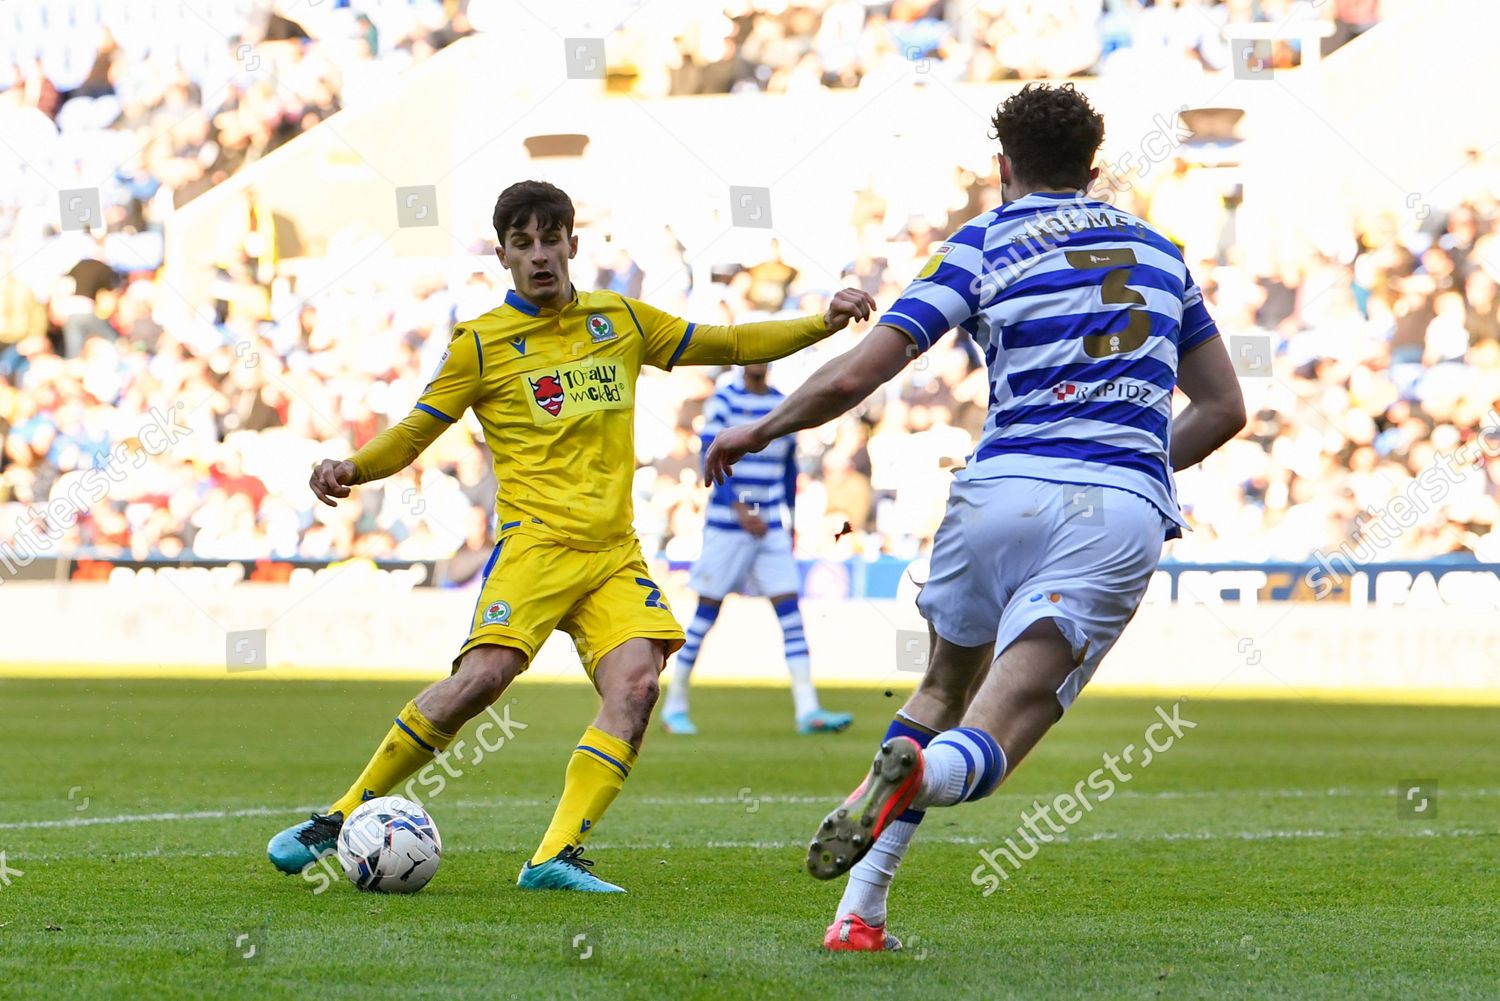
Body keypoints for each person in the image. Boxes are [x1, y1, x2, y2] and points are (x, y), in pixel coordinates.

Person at [705, 83, 1246, 948]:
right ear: (1094, 167)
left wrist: (760, 426)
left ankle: (859, 913)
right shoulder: (1161, 252)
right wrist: (1136, 462)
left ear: (1004, 168)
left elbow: (855, 377)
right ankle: (922, 775)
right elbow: (1224, 408)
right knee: (991, 737)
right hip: (1112, 509)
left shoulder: (981, 241)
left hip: (996, 494)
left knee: (941, 688)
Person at [266, 180, 876, 892]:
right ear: (502, 256)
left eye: (550, 239)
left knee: (639, 685)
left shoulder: (619, 319)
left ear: (572, 245)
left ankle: (551, 856)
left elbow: (731, 341)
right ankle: (339, 817)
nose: (539, 256)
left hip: (612, 554)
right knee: (482, 679)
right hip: (534, 547)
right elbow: (414, 431)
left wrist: (823, 324)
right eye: (522, 243)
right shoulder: (481, 344)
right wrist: (353, 466)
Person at [661, 362, 853, 736]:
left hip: (769, 530)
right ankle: (674, 706)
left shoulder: (783, 403)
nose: (758, 361)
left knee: (791, 614)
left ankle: (808, 709)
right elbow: (709, 452)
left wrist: (791, 524)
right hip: (728, 528)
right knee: (706, 615)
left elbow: (787, 468)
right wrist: (738, 505)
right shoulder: (724, 399)